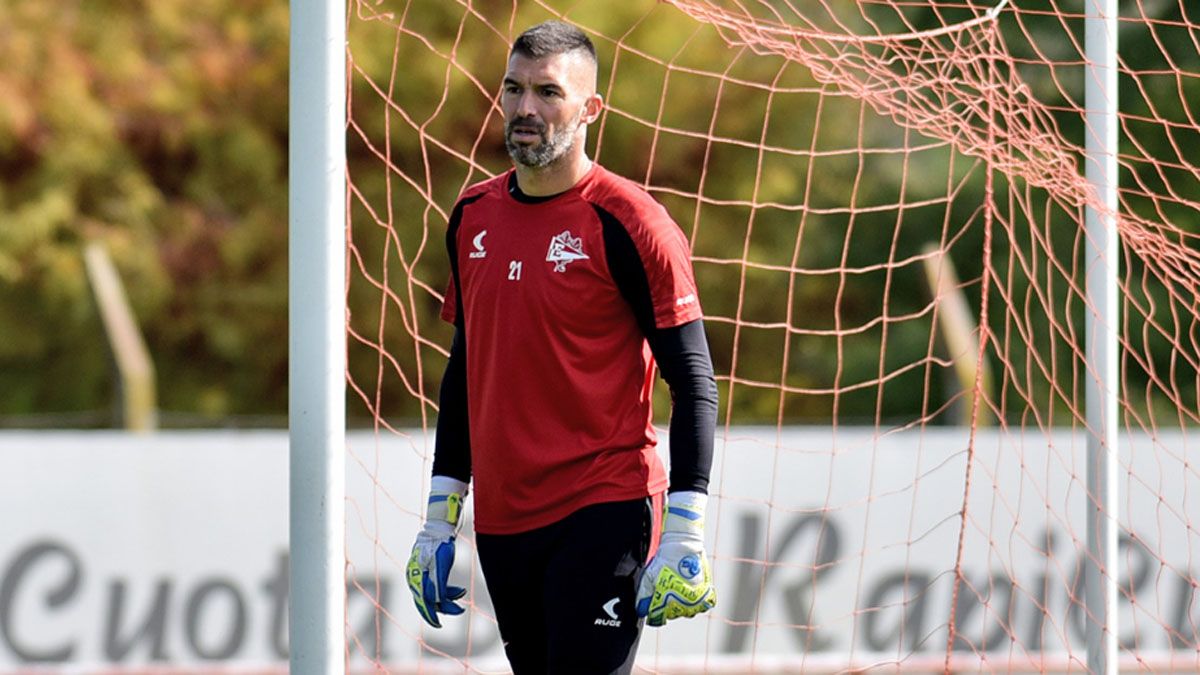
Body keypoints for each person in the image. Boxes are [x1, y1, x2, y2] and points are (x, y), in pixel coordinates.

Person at [406, 19, 719, 674]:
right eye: (513, 88)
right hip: (503, 519)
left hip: (602, 505)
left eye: (548, 92)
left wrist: (687, 526)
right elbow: (467, 371)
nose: (525, 109)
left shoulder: (633, 223)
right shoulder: (471, 217)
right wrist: (440, 516)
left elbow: (692, 379)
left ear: (590, 109)